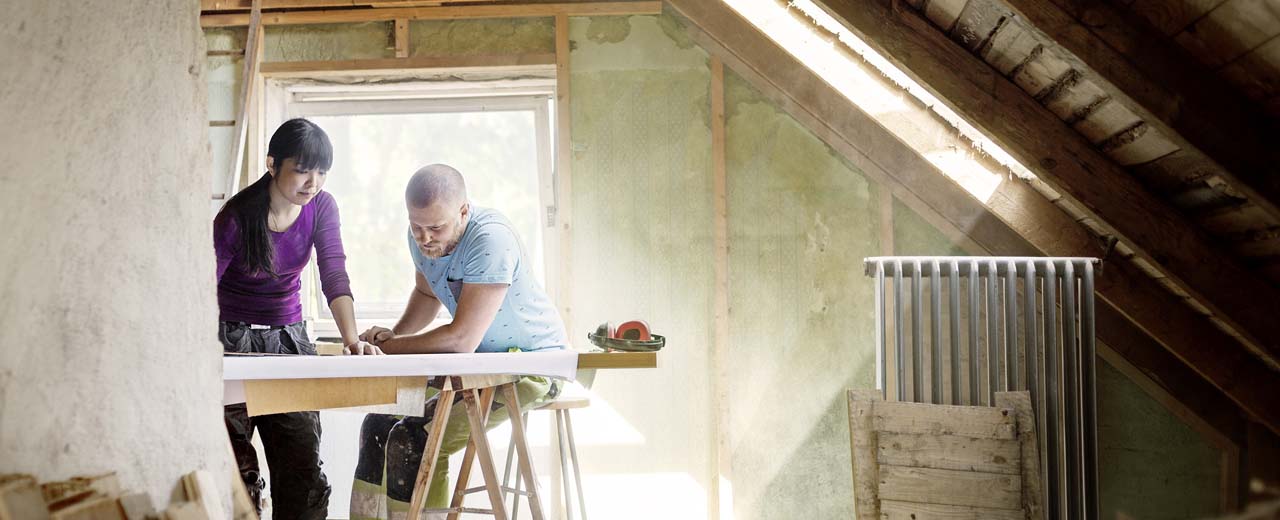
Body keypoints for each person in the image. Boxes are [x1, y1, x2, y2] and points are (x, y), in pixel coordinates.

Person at [349, 164, 567, 520]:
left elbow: (461, 339)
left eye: (436, 227)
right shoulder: (421, 236)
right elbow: (426, 291)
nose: (424, 238)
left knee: (412, 439)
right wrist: (394, 336)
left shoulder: (491, 239)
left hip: (531, 367)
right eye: (416, 226)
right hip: (478, 367)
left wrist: (389, 349)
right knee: (377, 424)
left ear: (464, 211)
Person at [214, 118, 380, 519]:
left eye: (322, 171)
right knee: (235, 473)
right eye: (303, 170)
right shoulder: (236, 217)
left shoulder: (322, 206)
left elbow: (334, 273)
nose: (314, 182)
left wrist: (352, 339)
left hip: (288, 342)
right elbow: (200, 290)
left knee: (302, 469)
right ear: (273, 165)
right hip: (229, 344)